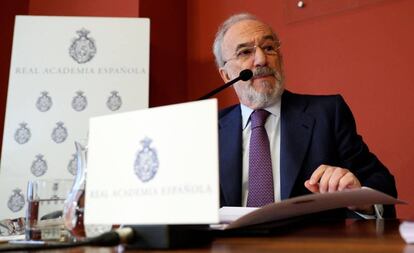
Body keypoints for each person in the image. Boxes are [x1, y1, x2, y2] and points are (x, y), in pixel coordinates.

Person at [214, 13, 397, 218]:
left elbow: (383, 184)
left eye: (268, 48)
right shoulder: (207, 129)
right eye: (245, 52)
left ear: (280, 58)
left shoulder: (326, 114)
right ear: (226, 75)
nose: (261, 59)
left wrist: (359, 196)